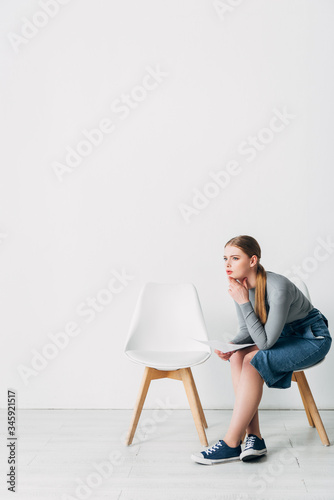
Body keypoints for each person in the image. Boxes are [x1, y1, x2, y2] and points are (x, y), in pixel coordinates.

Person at [191, 235, 332, 465]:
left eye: (235, 258)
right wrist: (232, 345)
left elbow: (265, 344)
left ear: (253, 260)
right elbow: (247, 329)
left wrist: (244, 302)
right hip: (283, 335)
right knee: (238, 356)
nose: (228, 265)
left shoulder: (278, 288)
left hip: (311, 337)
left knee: (252, 361)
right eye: (225, 258)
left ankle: (230, 443)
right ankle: (254, 438)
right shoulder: (240, 285)